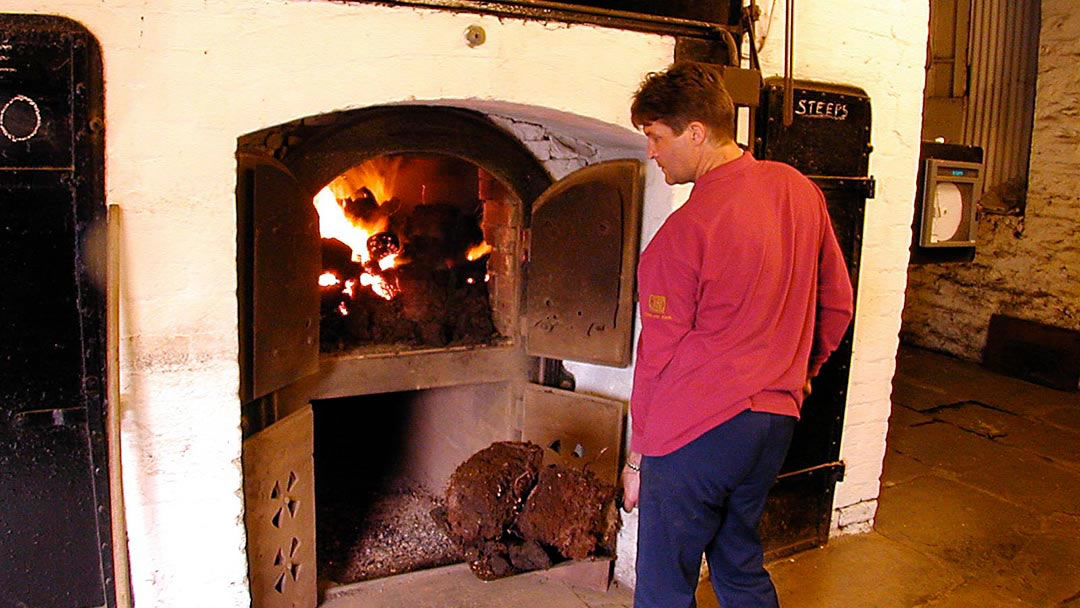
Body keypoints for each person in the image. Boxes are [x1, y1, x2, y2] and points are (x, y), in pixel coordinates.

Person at [621, 61, 854, 608]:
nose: (652, 153)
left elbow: (657, 357)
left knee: (663, 584)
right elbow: (837, 304)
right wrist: (800, 373)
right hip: (771, 425)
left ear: (695, 133)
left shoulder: (683, 235)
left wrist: (639, 461)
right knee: (738, 559)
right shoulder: (799, 191)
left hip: (694, 430)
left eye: (656, 137)